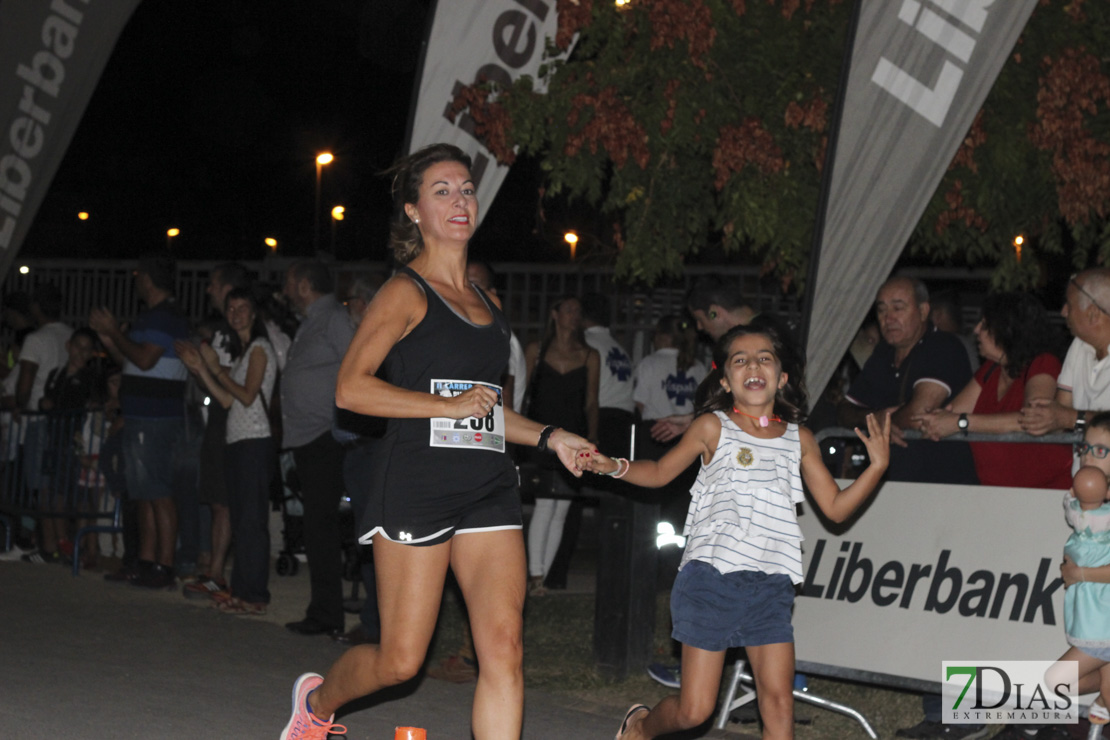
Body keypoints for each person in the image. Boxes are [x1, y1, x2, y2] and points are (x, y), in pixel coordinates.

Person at [279, 143, 594, 740]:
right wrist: (442, 407)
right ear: (415, 212)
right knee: (401, 661)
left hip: (487, 489)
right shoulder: (404, 294)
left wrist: (553, 437)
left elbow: (486, 410)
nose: (459, 200)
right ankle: (317, 705)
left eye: (466, 189)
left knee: (504, 647)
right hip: (416, 486)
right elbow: (350, 390)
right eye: (442, 191)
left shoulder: (489, 305)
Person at [579, 319, 891, 740]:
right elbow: (658, 472)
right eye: (740, 360)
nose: (753, 366)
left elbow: (835, 508)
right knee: (695, 711)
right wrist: (612, 465)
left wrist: (876, 469)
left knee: (779, 702)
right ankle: (641, 727)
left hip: (771, 587)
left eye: (764, 358)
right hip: (711, 582)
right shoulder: (713, 427)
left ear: (781, 378)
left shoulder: (799, 439)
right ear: (725, 380)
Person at [838, 276, 980, 739]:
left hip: (950, 498)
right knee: (925, 607)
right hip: (904, 499)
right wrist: (879, 418)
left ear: (924, 311)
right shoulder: (886, 353)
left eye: (899, 307)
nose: (888, 317)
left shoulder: (944, 350)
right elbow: (841, 410)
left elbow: (920, 411)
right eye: (881, 309)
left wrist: (881, 417)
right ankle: (939, 713)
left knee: (956, 607)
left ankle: (964, 716)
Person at [91, 253, 190, 589]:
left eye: (137, 275)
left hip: (156, 416)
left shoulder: (165, 316)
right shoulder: (152, 316)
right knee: (144, 492)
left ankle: (164, 564)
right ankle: (146, 562)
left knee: (158, 491)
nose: (135, 281)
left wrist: (115, 336)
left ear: (147, 278)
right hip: (142, 414)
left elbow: (145, 359)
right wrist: (110, 339)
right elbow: (132, 360)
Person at [178, 288, 278, 616]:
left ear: (254, 313)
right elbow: (225, 400)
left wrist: (215, 369)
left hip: (253, 441)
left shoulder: (260, 348)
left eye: (242, 307)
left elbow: (247, 396)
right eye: (231, 308)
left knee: (251, 521)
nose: (235, 314)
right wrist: (201, 369)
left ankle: (255, 595)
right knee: (242, 520)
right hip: (237, 442)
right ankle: (243, 590)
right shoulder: (244, 353)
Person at [913, 292, 1071, 489]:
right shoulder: (990, 369)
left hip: (1045, 494)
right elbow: (949, 414)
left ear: (1010, 330)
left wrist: (961, 423)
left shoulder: (1043, 363)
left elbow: (1034, 418)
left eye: (985, 325)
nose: (976, 330)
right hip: (995, 493)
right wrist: (905, 421)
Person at [281, 260, 355, 638]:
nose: (285, 287)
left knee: (321, 527)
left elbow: (359, 365)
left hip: (326, 437)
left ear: (305, 284)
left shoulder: (333, 319)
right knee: (316, 527)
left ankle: (327, 614)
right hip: (310, 437)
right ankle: (323, 610)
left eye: (290, 280)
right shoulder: (313, 320)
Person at [523, 295, 599, 595]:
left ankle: (542, 578)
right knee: (544, 503)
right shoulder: (537, 350)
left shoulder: (590, 355)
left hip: (574, 435)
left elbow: (592, 401)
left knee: (562, 508)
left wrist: (593, 437)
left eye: (578, 310)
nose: (574, 315)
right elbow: (523, 392)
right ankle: (535, 575)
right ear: (554, 314)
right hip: (542, 435)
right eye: (568, 309)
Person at [1045, 413, 1110, 726]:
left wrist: (1078, 575)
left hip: (1105, 628)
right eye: (1085, 447)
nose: (1087, 455)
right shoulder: (1091, 503)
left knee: (1056, 679)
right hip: (1096, 622)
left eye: (1100, 450)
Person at [650, 276, 755, 443]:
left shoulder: (758, 339)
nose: (699, 327)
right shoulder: (746, 337)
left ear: (715, 313)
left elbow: (753, 403)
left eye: (700, 319)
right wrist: (695, 419)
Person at [1021, 269, 1110, 451]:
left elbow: (1064, 416)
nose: (1063, 312)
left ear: (1093, 313)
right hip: (1082, 476)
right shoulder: (1079, 346)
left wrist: (1069, 418)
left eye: (1069, 305)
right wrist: (1044, 417)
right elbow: (1060, 412)